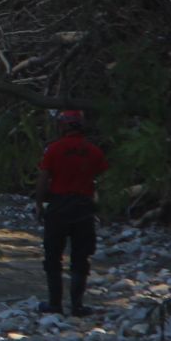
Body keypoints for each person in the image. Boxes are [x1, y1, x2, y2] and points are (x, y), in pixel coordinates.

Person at [34, 109, 109, 316]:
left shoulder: (54, 149)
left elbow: (43, 179)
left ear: (64, 126)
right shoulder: (94, 151)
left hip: (59, 206)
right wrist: (102, 209)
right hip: (84, 207)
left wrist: (39, 203)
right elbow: (103, 181)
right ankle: (77, 305)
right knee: (81, 257)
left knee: (53, 256)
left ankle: (55, 304)